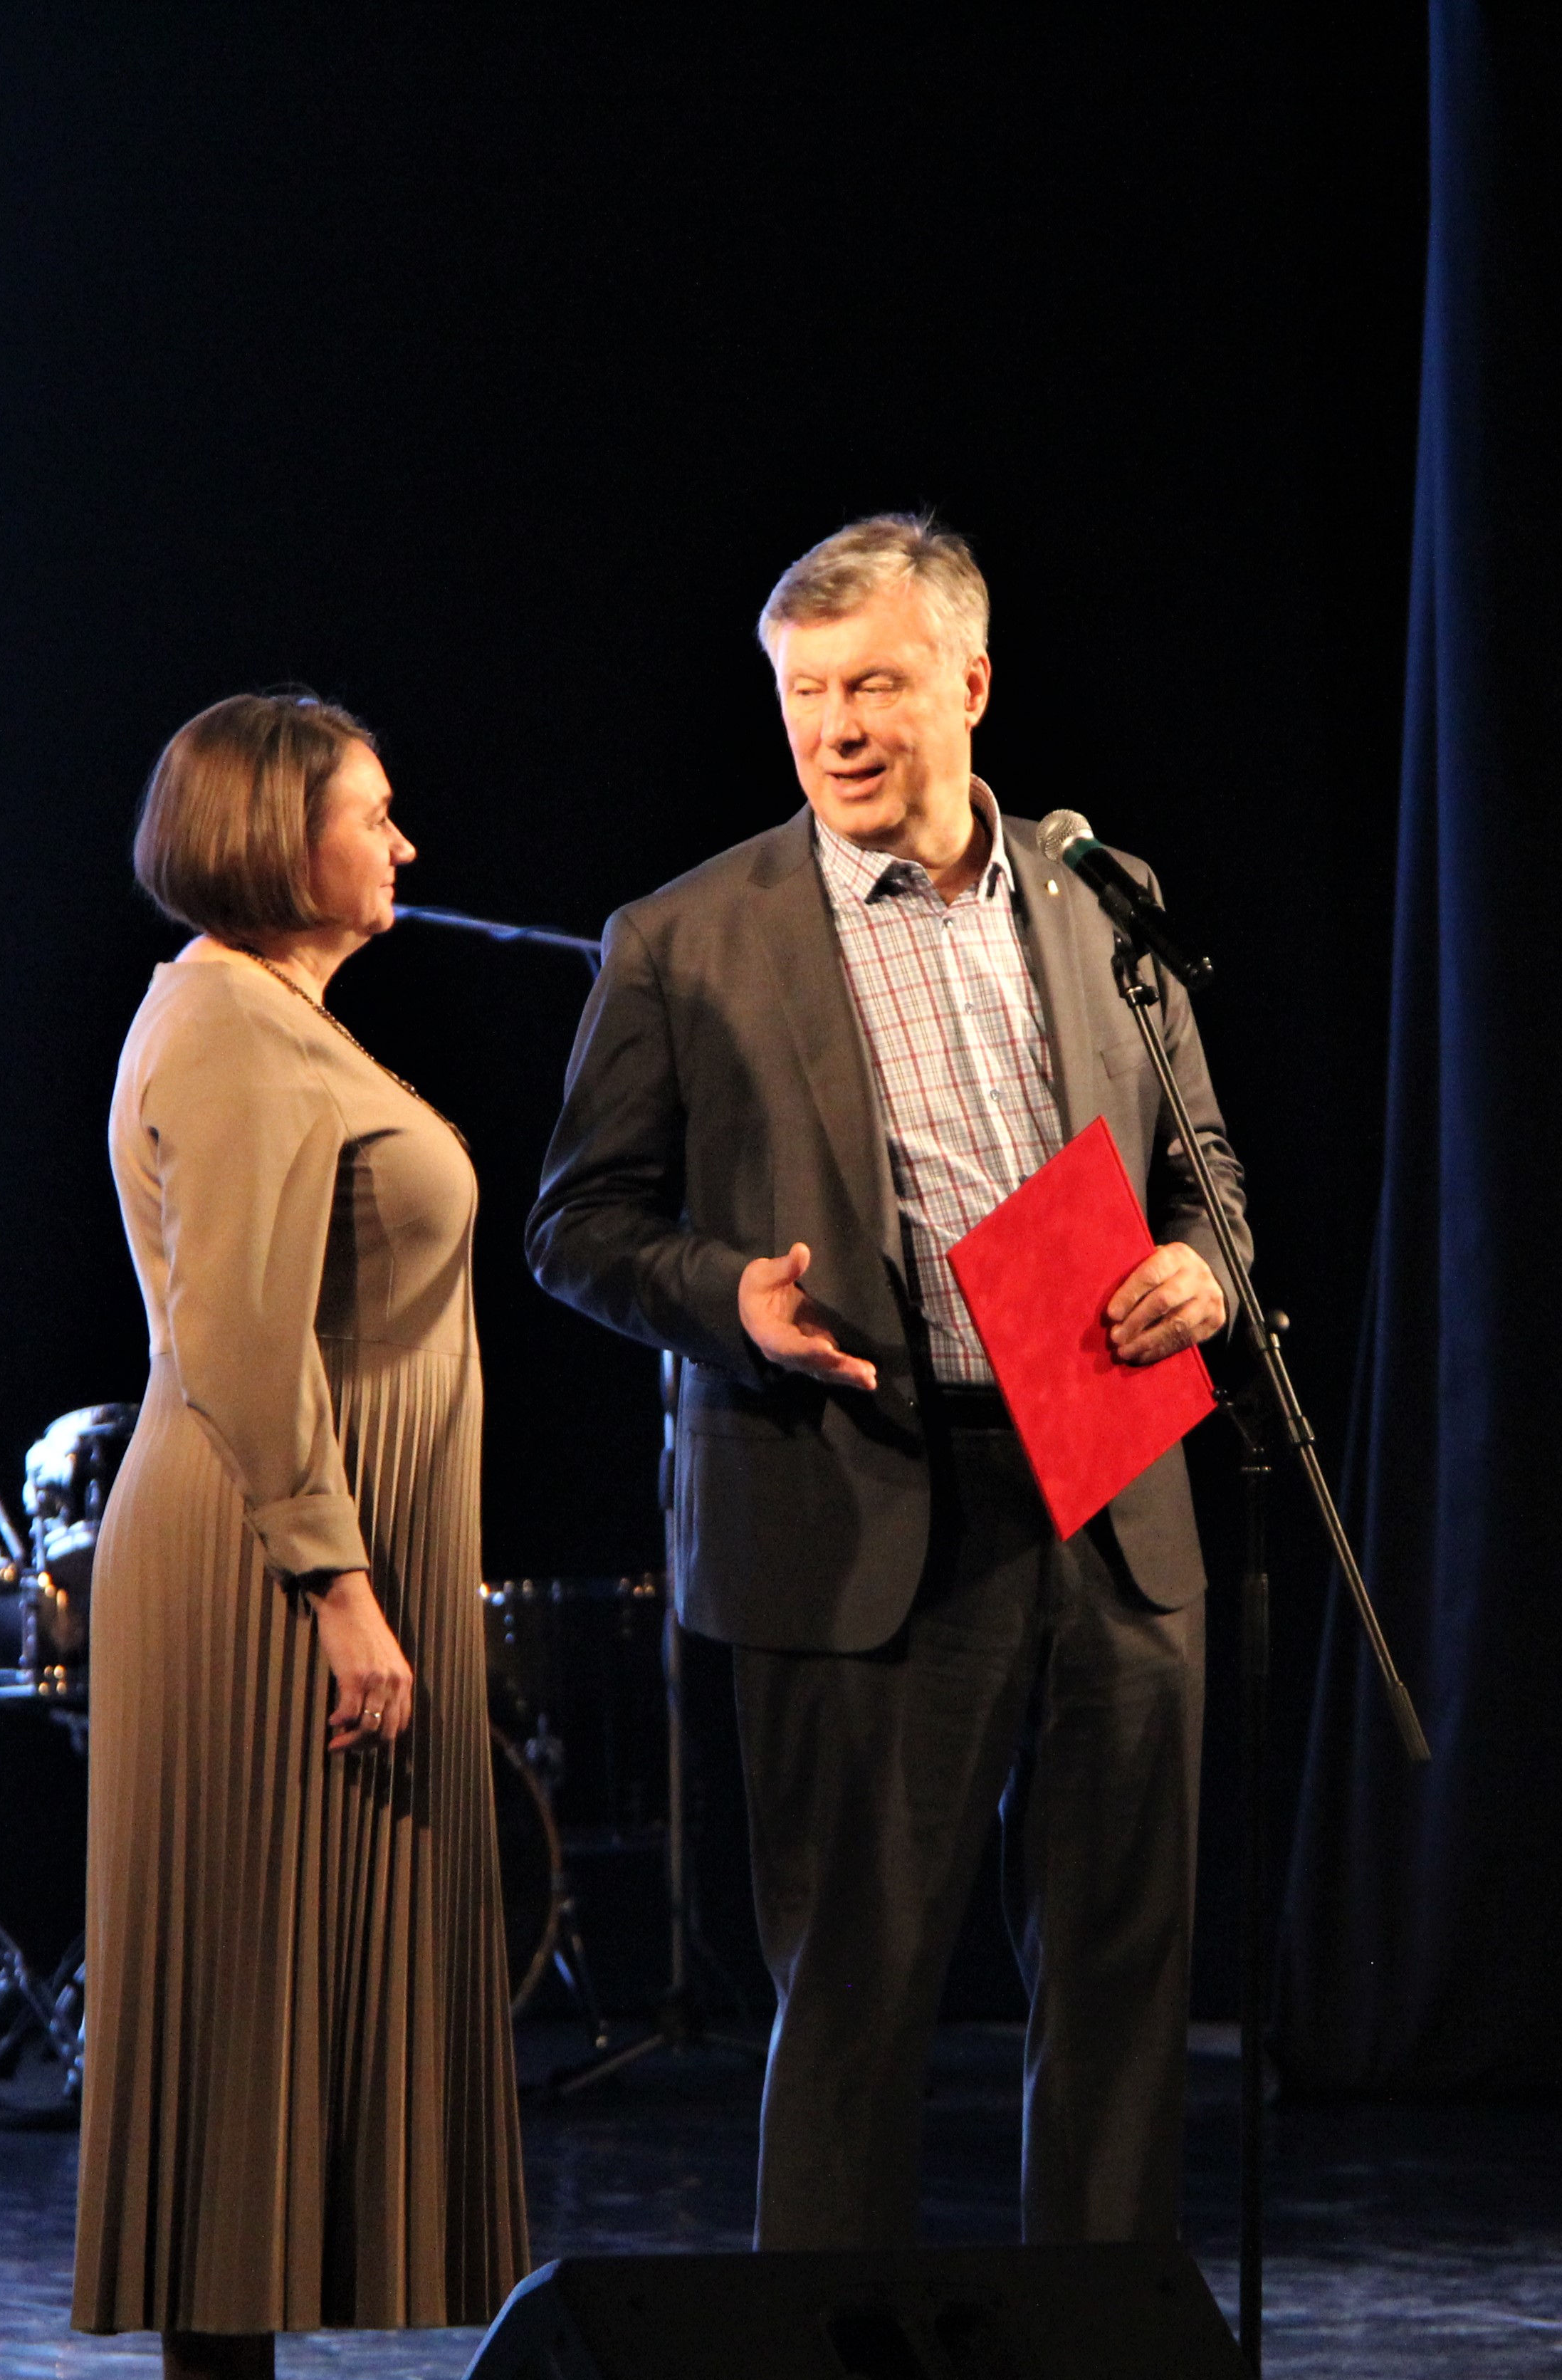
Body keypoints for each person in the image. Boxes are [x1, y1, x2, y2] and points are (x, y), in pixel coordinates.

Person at [525, 516, 1247, 2250]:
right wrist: (727, 1299)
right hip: (854, 1492)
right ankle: (829, 2372)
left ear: (971, 686)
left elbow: (1204, 1164)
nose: (838, 728)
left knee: (1123, 1985)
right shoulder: (686, 938)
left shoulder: (1098, 894)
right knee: (855, 1999)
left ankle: (1096, 2359)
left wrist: (1204, 1268)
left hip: (1107, 1476)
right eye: (806, 693)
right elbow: (576, 1225)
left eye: (877, 686)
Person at [74, 691, 529, 2380]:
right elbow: (244, 1343)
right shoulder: (230, 1029)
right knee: (238, 1988)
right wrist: (339, 1589)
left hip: (300, 1552)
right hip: (261, 1572)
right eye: (374, 812)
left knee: (279, 1987)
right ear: (280, 836)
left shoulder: (270, 1020)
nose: (404, 843)